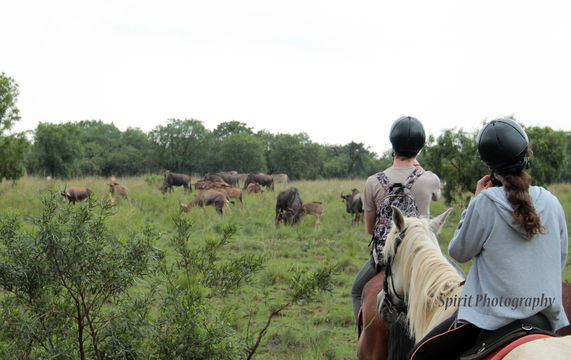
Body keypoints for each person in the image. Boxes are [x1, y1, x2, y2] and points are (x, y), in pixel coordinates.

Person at [409, 118, 569, 359]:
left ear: (489, 165)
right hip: (544, 316)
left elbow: (459, 252)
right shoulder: (552, 202)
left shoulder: (485, 201)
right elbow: (560, 258)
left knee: (419, 354)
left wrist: (474, 201)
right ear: (525, 155)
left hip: (492, 320)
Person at [351, 116, 441, 321]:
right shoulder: (430, 179)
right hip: (420, 256)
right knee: (458, 283)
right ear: (419, 148)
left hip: (385, 257)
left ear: (392, 145)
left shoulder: (373, 182)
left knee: (357, 291)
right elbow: (437, 196)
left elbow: (369, 229)